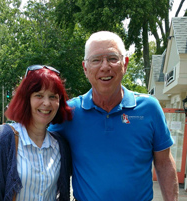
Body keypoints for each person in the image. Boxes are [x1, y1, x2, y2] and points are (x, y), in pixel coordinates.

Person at [48, 31, 179, 200]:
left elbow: (164, 164)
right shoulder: (68, 113)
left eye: (112, 58)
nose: (104, 66)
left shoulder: (150, 109)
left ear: (125, 64)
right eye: (96, 60)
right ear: (85, 68)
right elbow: (40, 146)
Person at [0, 65, 73, 201]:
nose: (46, 103)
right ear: (26, 99)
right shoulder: (2, 139)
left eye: (53, 96)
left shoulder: (60, 145)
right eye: (39, 95)